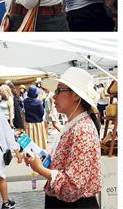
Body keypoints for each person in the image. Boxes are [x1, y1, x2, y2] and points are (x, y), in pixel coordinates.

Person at [24, 68, 101, 208]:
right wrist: (40, 161)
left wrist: (40, 169)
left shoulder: (82, 129)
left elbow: (72, 187)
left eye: (59, 91)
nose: (54, 96)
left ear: (76, 96)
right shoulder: (76, 124)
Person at [23, 85, 47, 149]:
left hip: (29, 124)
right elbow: (42, 113)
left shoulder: (25, 101)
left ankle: (30, 153)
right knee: (39, 140)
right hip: (38, 124)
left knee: (30, 141)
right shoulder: (39, 102)